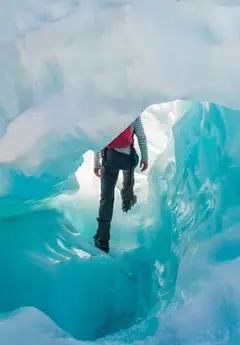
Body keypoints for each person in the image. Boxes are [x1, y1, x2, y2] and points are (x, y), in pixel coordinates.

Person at [93, 116, 148, 253]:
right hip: (127, 159)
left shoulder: (105, 112)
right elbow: (141, 135)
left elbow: (97, 140)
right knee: (129, 173)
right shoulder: (132, 112)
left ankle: (103, 240)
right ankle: (127, 201)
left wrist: (96, 163)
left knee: (106, 198)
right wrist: (145, 158)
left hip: (109, 159)